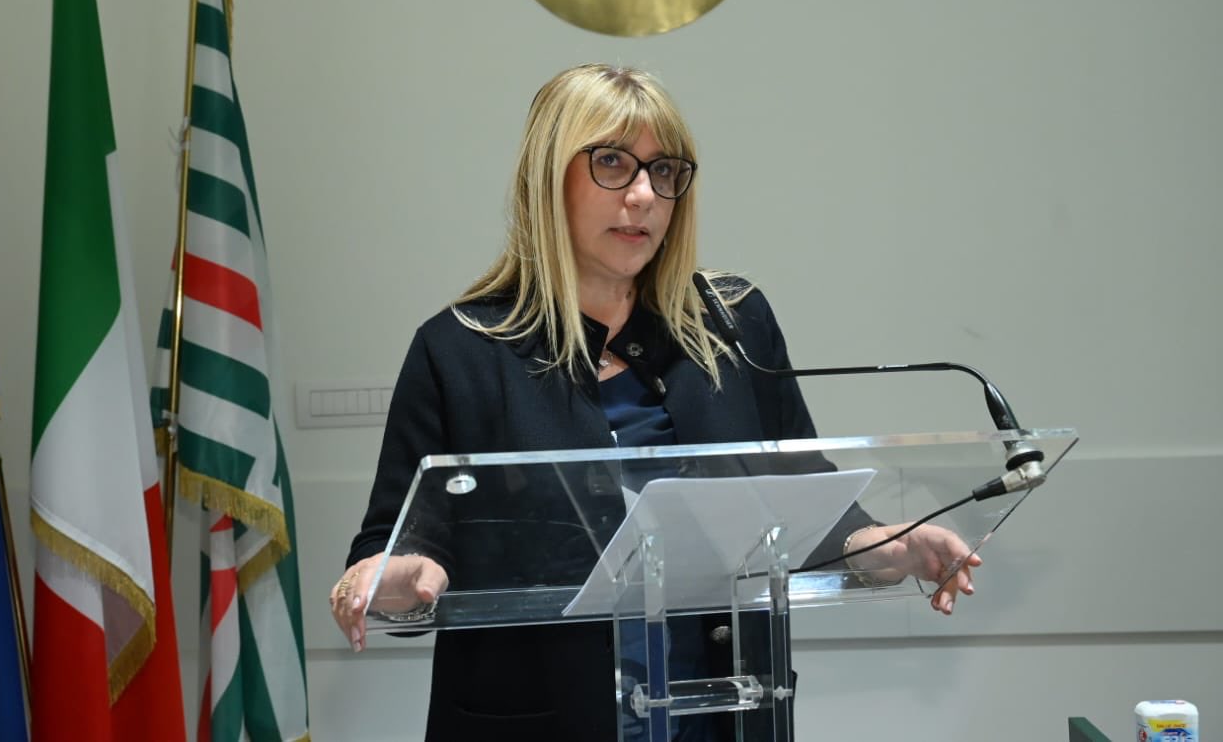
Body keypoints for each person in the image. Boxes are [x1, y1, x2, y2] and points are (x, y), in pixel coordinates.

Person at [329, 63, 980, 741]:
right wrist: (396, 577)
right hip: (538, 720)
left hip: (721, 714)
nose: (643, 195)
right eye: (611, 162)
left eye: (663, 170)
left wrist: (888, 546)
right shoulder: (461, 349)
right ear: (547, 176)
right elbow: (397, 546)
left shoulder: (733, 325)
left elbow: (803, 495)